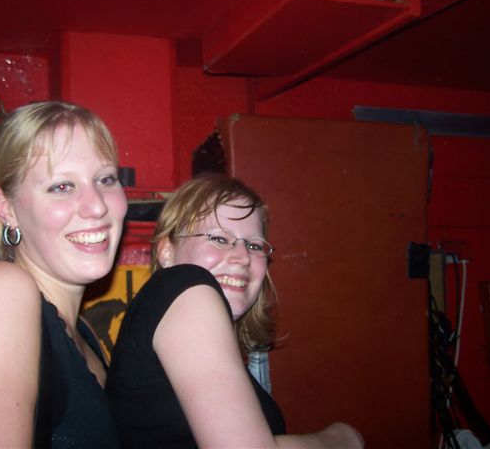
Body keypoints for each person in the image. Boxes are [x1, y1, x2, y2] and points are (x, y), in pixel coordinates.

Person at [0, 101, 127, 447]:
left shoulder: (84, 332)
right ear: (7, 208)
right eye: (62, 186)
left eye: (105, 179)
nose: (97, 206)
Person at [106, 173, 363, 448]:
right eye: (219, 238)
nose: (243, 257)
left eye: (254, 245)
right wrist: (342, 438)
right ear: (167, 252)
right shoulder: (181, 282)